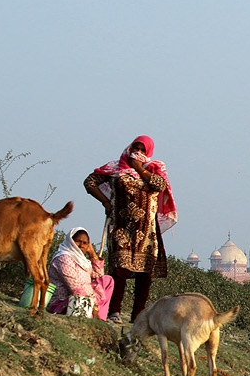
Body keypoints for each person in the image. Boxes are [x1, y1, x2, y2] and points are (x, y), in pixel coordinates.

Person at [85, 135, 177, 322]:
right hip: (122, 228)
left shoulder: (155, 169)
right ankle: (114, 311)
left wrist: (138, 168)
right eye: (136, 148)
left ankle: (138, 316)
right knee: (120, 269)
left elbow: (159, 186)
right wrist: (105, 203)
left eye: (143, 150)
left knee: (145, 274)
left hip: (147, 231)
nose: (139, 153)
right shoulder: (116, 168)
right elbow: (90, 182)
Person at [46, 226, 114, 319]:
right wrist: (93, 307)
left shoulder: (83, 262)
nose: (81, 245)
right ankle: (93, 315)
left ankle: (100, 318)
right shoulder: (63, 258)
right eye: (78, 241)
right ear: (70, 241)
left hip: (86, 298)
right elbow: (75, 288)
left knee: (107, 280)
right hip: (64, 302)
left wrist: (92, 254)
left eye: (85, 243)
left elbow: (99, 276)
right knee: (83, 306)